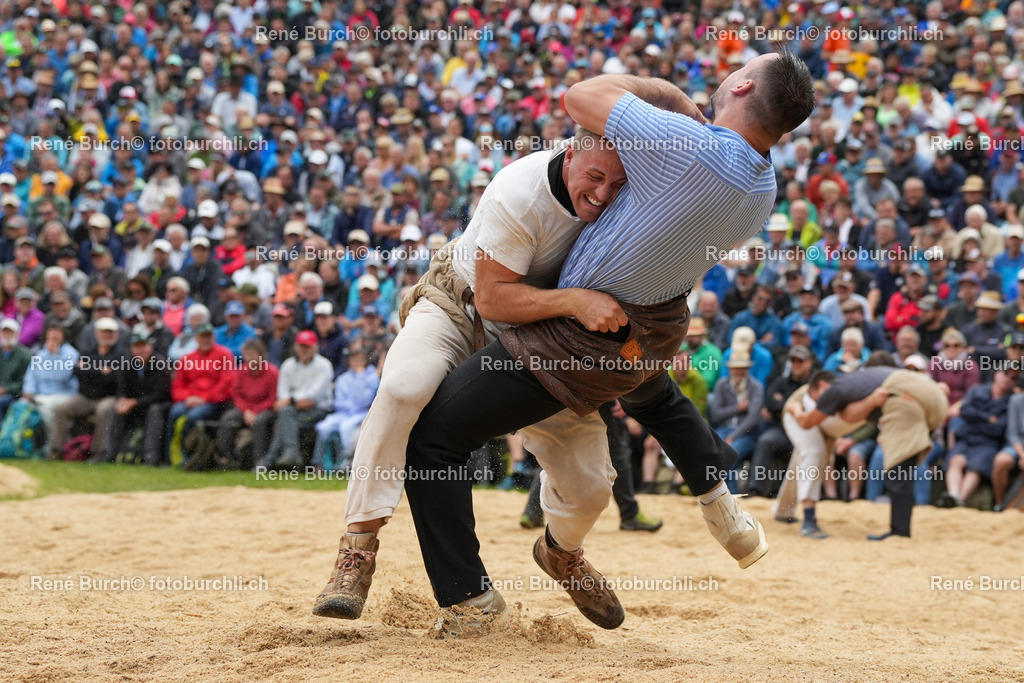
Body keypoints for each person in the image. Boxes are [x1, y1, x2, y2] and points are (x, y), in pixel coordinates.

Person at [400, 54, 815, 635]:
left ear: (742, 85)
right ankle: (715, 502)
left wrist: (670, 95)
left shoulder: (687, 144)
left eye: (738, 68)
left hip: (573, 344)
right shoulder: (764, 188)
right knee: (655, 397)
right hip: (647, 337)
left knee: (432, 440)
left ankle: (469, 599)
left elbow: (579, 95)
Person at [785, 365, 948, 539]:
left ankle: (900, 532)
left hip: (906, 396)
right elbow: (850, 415)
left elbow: (807, 422)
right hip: (931, 396)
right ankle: (782, 509)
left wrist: (796, 409)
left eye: (816, 399)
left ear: (823, 385)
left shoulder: (834, 391)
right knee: (905, 464)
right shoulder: (861, 386)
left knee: (899, 468)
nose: (820, 406)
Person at [49, 317, 127, 462]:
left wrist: (90, 373)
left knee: (103, 411)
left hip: (108, 397)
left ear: (116, 334)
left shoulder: (121, 354)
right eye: (104, 332)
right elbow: (77, 372)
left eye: (110, 333)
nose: (107, 335)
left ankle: (98, 453)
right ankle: (56, 450)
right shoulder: (88, 352)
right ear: (97, 334)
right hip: (86, 397)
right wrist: (100, 371)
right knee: (61, 409)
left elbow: (115, 378)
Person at [256, 330, 334, 469]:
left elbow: (314, 395)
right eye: (301, 346)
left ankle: (270, 460)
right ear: (296, 347)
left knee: (285, 422)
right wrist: (295, 401)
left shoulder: (324, 365)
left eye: (307, 346)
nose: (304, 350)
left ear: (315, 348)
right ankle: (290, 454)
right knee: (287, 416)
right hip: (293, 410)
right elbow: (282, 392)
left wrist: (291, 400)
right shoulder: (288, 365)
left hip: (320, 410)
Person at [105, 332, 172, 465]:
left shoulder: (160, 364)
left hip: (160, 405)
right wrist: (122, 401)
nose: (141, 350)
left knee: (154, 410)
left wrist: (134, 402)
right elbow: (122, 389)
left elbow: (161, 394)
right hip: (137, 405)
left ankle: (151, 457)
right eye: (137, 346)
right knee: (116, 409)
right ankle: (109, 454)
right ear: (132, 349)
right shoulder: (127, 363)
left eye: (144, 346)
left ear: (150, 347)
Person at [213, 339, 279, 471]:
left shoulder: (272, 372)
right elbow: (237, 394)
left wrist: (255, 411)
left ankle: (258, 460)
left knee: (259, 422)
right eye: (247, 355)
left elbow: (273, 398)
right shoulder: (241, 371)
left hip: (266, 409)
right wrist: (247, 410)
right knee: (228, 418)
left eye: (252, 355)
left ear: (261, 355)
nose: (249, 359)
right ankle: (226, 457)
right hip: (245, 409)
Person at [312, 347, 379, 470]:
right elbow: (338, 401)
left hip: (362, 414)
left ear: (366, 361)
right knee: (323, 427)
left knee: (346, 428)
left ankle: (346, 462)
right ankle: (318, 463)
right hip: (343, 414)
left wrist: (360, 377)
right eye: (354, 359)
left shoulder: (372, 377)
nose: (357, 362)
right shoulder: (343, 378)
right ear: (349, 361)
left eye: (360, 359)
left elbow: (365, 400)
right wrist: (350, 406)